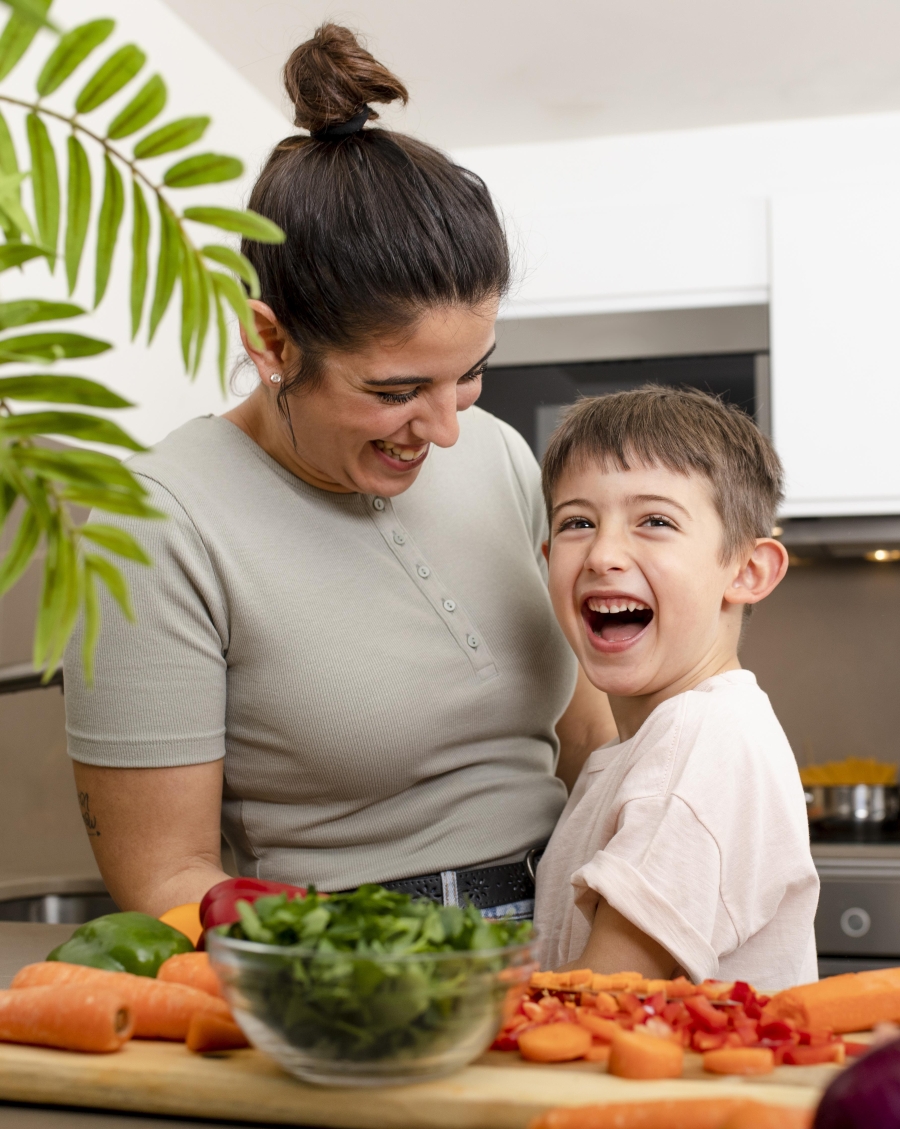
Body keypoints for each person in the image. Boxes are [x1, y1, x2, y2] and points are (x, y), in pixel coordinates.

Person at [62, 24, 614, 921]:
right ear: (271, 339)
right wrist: (368, 984)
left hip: (576, 925)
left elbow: (585, 735)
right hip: (352, 964)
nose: (445, 428)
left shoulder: (502, 455)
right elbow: (167, 883)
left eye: (470, 372)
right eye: (397, 389)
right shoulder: (155, 524)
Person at [532, 386, 818, 991]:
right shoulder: (656, 742)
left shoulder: (699, 741)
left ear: (746, 571)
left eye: (655, 521)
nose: (603, 554)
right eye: (577, 522)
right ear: (546, 557)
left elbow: (601, 999)